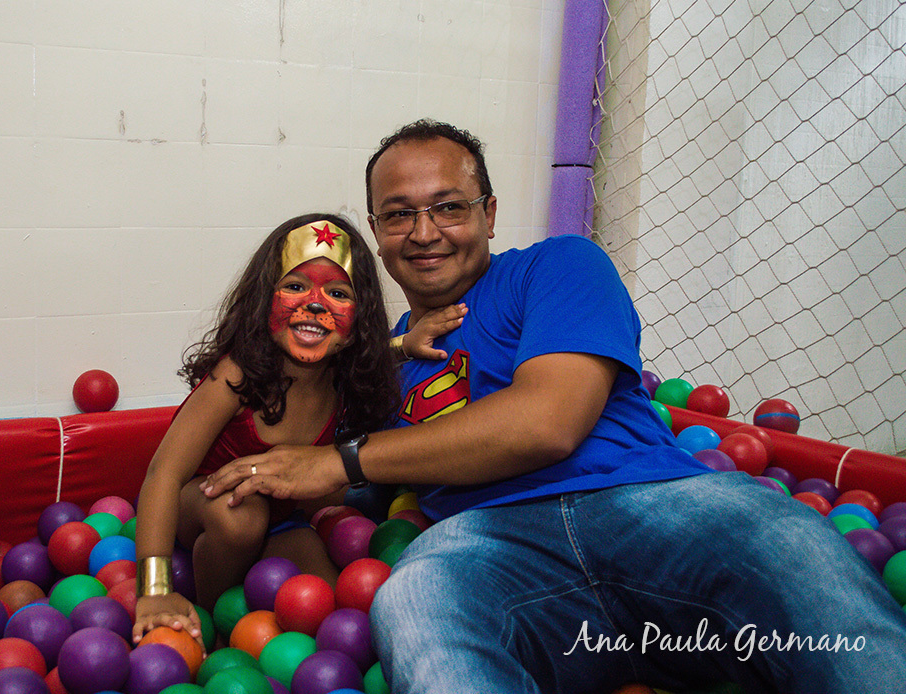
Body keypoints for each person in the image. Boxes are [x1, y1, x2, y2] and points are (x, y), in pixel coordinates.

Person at [200, 120, 906, 692]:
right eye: (399, 215)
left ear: (490, 213)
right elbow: (279, 421)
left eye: (448, 206)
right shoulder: (374, 359)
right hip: (487, 547)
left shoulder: (559, 265)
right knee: (412, 600)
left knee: (791, 550)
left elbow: (547, 423)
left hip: (655, 505)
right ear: (376, 234)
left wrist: (339, 462)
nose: (424, 232)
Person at [131, 212, 462, 647]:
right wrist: (155, 590)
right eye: (295, 287)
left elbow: (371, 354)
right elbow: (164, 473)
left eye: (338, 294)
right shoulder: (237, 376)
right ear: (263, 298)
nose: (316, 305)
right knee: (240, 515)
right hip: (204, 503)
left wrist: (406, 342)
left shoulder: (341, 375)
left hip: (283, 518)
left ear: (358, 319)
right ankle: (212, 631)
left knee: (333, 610)